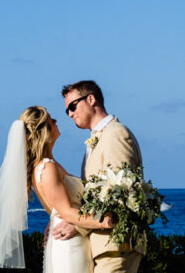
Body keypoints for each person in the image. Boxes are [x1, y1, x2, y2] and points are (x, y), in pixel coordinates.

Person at [0, 105, 114, 270]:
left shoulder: (46, 166)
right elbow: (65, 212)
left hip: (69, 238)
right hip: (69, 244)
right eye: (51, 119)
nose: (56, 120)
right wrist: (103, 221)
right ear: (43, 131)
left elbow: (56, 210)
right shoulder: (47, 167)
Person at [58, 80, 144, 273]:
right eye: (67, 111)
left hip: (117, 245)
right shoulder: (97, 139)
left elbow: (120, 195)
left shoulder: (116, 134)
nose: (70, 114)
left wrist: (78, 225)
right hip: (104, 246)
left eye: (72, 106)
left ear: (91, 99)